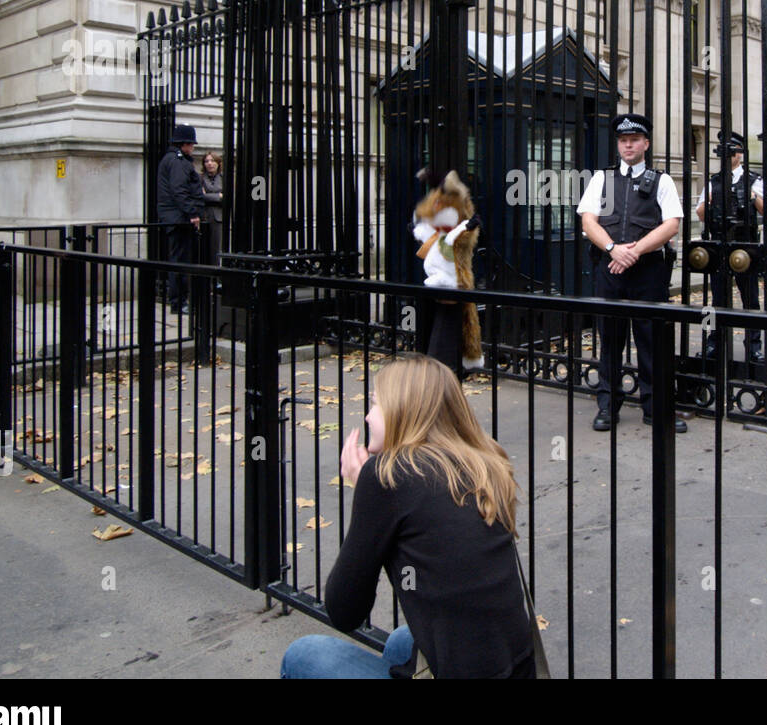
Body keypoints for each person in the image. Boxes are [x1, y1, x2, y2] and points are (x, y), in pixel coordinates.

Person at [280, 356, 538, 679]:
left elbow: (344, 611)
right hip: (515, 670)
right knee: (402, 641)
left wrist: (365, 494)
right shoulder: (481, 465)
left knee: (302, 655)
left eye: (375, 403)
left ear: (404, 413)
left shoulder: (385, 479)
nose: (368, 416)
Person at [576, 112, 686, 433]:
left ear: (645, 144)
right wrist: (614, 250)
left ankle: (656, 408)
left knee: (651, 341)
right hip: (610, 268)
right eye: (623, 141)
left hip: (648, 270)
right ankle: (608, 406)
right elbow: (587, 221)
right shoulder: (602, 179)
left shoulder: (661, 180)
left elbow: (671, 225)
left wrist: (634, 251)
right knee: (610, 339)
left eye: (634, 140)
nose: (628, 145)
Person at [695, 130, 765, 364]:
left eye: (732, 152)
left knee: (750, 300)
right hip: (718, 244)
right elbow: (700, 213)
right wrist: (709, 203)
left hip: (745, 245)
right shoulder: (713, 181)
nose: (728, 156)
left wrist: (753, 197)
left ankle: (754, 347)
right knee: (716, 301)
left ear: (740, 154)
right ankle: (714, 342)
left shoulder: (754, 179)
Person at [157, 124, 205, 314]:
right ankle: (179, 302)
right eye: (191, 144)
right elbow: (179, 190)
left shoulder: (172, 159)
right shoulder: (177, 161)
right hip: (179, 218)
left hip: (175, 216)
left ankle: (180, 300)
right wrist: (193, 213)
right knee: (180, 260)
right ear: (184, 144)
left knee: (179, 258)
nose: (193, 147)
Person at [200, 151, 223, 266]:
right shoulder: (200, 178)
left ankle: (217, 278)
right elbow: (200, 196)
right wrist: (218, 196)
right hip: (204, 216)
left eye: (212, 161)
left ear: (218, 163)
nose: (209, 163)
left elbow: (227, 198)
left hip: (219, 217)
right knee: (203, 249)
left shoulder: (223, 177)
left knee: (216, 248)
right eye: (206, 161)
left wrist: (207, 196)